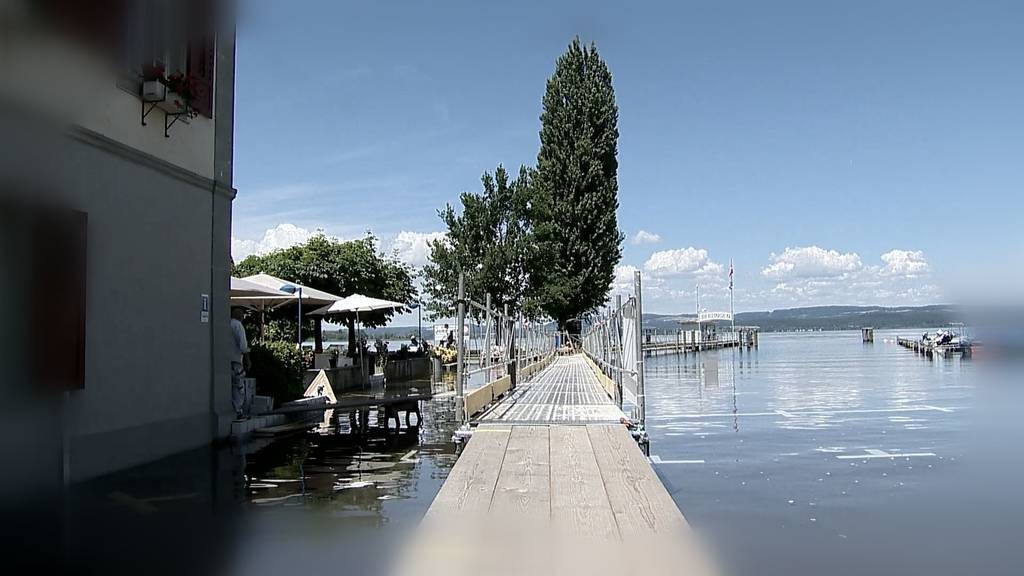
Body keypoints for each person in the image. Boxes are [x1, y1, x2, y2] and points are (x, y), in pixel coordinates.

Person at [230, 307, 251, 420]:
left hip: (224, 362)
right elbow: (243, 346)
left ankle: (231, 410)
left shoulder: (226, 324)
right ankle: (238, 412)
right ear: (240, 316)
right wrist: (247, 360)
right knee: (238, 388)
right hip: (236, 362)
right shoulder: (238, 326)